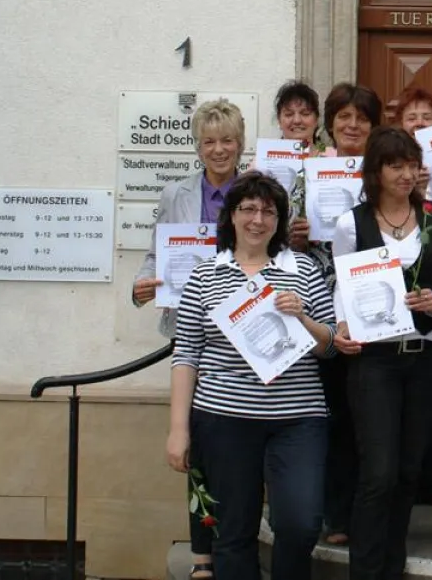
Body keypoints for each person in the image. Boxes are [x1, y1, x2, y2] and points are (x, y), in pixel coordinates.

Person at [167, 171, 338, 580]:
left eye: (268, 210)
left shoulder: (304, 271)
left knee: (300, 524)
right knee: (233, 532)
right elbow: (186, 354)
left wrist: (303, 318)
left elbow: (330, 346)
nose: (257, 219)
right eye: (248, 208)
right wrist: (178, 429)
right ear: (231, 216)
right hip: (223, 417)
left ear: (279, 221)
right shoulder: (204, 275)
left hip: (297, 420)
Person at [331, 126, 432, 580]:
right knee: (379, 472)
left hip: (426, 354)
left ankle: (392, 564)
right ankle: (366, 571)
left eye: (411, 165)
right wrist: (342, 325)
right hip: (375, 359)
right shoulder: (352, 223)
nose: (406, 174)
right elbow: (341, 288)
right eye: (395, 165)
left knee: (408, 470)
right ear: (376, 171)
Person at [133, 98, 246, 580]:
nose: (218, 150)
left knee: (244, 441)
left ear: (241, 143)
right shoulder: (175, 193)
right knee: (197, 444)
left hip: (246, 332)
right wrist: (140, 287)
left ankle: (241, 540)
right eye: (209, 141)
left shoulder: (260, 190)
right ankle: (203, 553)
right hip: (193, 331)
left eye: (227, 140)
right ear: (197, 146)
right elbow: (154, 256)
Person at [318, 81, 384, 546]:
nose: (353, 125)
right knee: (335, 416)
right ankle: (337, 515)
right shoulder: (309, 171)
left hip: (376, 312)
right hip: (323, 311)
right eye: (344, 116)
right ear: (331, 124)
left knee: (372, 421)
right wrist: (297, 231)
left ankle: (370, 514)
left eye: (361, 117)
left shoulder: (386, 174)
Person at [391, 87, 432, 511]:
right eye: (411, 116)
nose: (418, 123)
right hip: (386, 321)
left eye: (426, 116)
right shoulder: (385, 173)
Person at [273, 80, 323, 253]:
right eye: (288, 114)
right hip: (276, 254)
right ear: (279, 120)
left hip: (325, 257)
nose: (297, 120)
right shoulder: (263, 163)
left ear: (316, 119)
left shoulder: (333, 159)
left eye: (305, 113)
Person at [394, 86, 432, 194]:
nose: (420, 123)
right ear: (401, 123)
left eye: (427, 118)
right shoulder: (390, 159)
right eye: (412, 119)